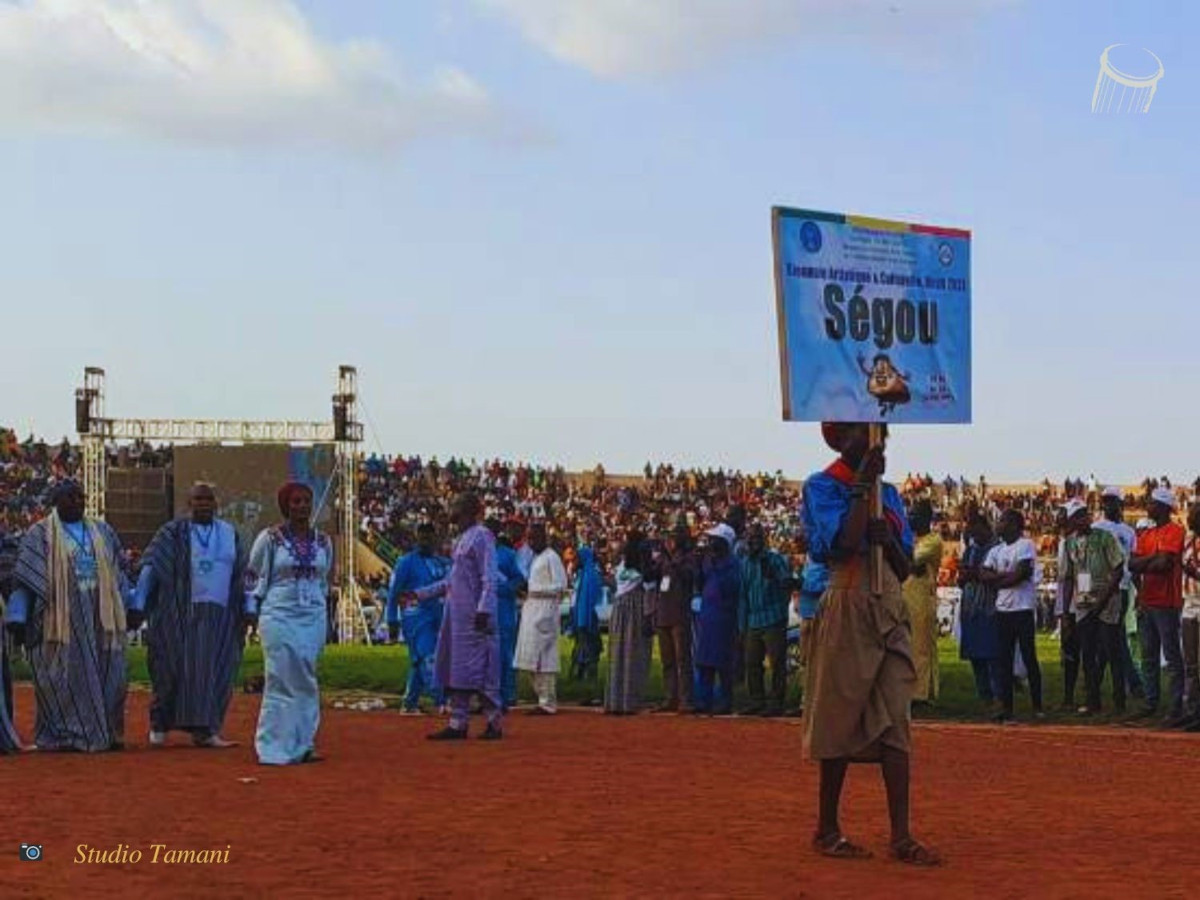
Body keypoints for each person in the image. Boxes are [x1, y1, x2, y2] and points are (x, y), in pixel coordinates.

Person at [802, 423, 938, 866]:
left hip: (889, 604)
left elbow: (903, 568)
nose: (879, 446)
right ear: (842, 441)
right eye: (867, 438)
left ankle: (901, 835)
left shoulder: (892, 495)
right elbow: (840, 545)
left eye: (882, 438)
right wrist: (862, 487)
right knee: (838, 711)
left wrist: (888, 542)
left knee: (897, 718)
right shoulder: (822, 486)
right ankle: (827, 827)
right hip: (848, 599)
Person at [4, 480, 133, 752]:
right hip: (59, 621)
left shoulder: (102, 530)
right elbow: (26, 578)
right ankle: (66, 734)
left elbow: (118, 571)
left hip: (101, 618)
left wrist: (129, 605)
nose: (77, 501)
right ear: (56, 501)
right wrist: (18, 617)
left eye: (80, 496)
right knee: (61, 679)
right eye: (70, 497)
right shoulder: (39, 534)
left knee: (114, 674)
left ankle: (106, 731)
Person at [132, 482, 251, 749]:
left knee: (216, 671)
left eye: (209, 499)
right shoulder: (172, 533)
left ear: (216, 504)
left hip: (218, 618)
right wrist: (139, 602)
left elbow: (243, 575)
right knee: (169, 668)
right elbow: (152, 566)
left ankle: (207, 731)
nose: (204, 504)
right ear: (189, 503)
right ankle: (159, 726)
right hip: (178, 613)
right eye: (198, 499)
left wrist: (248, 609)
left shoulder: (229, 534)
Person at [247, 482, 334, 765]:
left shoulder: (324, 542)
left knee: (307, 678)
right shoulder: (270, 539)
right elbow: (253, 576)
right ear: (286, 506)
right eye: (295, 501)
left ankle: (304, 742)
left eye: (306, 501)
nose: (302, 506)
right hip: (279, 614)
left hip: (313, 616)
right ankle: (272, 745)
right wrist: (250, 610)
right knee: (280, 678)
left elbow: (324, 580)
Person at [417, 492, 504, 741]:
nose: (452, 512)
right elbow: (452, 581)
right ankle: (458, 722)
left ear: (469, 510)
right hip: (457, 617)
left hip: (476, 616)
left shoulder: (482, 536)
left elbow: (489, 576)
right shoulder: (462, 539)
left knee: (483, 668)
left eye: (456, 507)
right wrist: (421, 594)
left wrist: (484, 609)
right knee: (457, 670)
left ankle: (493, 723)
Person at [1059, 500, 1126, 716]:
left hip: (1107, 601)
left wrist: (1102, 600)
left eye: (1085, 514)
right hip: (1083, 604)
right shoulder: (1069, 543)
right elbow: (1068, 578)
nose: (1084, 518)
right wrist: (1066, 612)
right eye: (1078, 516)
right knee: (1087, 653)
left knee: (1111, 650)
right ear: (1071, 521)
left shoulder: (1105, 537)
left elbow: (1117, 570)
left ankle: (1119, 701)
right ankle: (1092, 700)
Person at [1129, 487, 1187, 726]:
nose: (1148, 506)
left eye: (1152, 503)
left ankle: (1175, 706)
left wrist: (1147, 562)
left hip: (1167, 602)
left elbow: (1165, 565)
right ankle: (1151, 702)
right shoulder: (1146, 535)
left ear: (1163, 506)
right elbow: (1132, 565)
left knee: (1172, 657)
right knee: (1148, 656)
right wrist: (1153, 559)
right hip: (1147, 601)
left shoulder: (1176, 531)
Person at [981, 509, 1044, 724]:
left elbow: (1022, 573)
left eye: (1003, 521)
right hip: (1003, 610)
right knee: (1003, 660)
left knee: (1029, 657)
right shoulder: (995, 550)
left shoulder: (1025, 545)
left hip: (1022, 608)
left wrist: (997, 579)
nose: (998, 524)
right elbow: (983, 575)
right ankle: (1006, 707)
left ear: (1014, 525)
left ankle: (1038, 705)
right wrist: (1005, 578)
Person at [387, 523, 450, 715]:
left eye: (429, 537)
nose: (426, 541)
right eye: (422, 537)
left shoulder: (442, 562)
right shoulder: (406, 562)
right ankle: (442, 700)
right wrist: (391, 619)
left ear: (435, 539)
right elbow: (394, 591)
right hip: (415, 617)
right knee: (427, 657)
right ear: (416, 538)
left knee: (418, 660)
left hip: (438, 616)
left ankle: (410, 703)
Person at [1093, 487, 1145, 699]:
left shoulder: (1129, 532)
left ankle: (1106, 684)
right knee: (1110, 638)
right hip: (1099, 588)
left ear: (1120, 504)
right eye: (1105, 501)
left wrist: (1140, 590)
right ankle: (1131, 683)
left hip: (1121, 587)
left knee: (1113, 637)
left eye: (1112, 501)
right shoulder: (1096, 527)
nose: (1108, 505)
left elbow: (1133, 565)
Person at [739, 523, 792, 717]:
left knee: (777, 663)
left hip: (773, 617)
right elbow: (743, 595)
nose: (753, 542)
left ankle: (776, 702)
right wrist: (742, 625)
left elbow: (787, 583)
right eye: (750, 538)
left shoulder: (775, 559)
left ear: (764, 540)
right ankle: (757, 700)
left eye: (756, 538)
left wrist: (775, 576)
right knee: (752, 662)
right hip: (753, 619)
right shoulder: (744, 564)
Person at [513, 523, 567, 715]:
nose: (531, 542)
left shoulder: (552, 557)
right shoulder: (536, 558)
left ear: (544, 538)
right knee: (530, 657)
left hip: (545, 610)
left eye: (534, 538)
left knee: (544, 657)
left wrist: (535, 591)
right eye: (529, 539)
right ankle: (540, 697)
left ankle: (547, 701)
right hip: (532, 609)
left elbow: (561, 585)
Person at [692, 524, 741, 716]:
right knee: (704, 661)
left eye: (715, 540)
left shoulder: (732, 564)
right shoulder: (707, 561)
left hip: (724, 617)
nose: (710, 543)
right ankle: (704, 700)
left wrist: (714, 565)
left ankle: (725, 701)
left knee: (722, 662)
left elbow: (731, 587)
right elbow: (700, 583)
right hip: (707, 614)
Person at [956, 513, 1001, 708]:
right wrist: (964, 576)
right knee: (975, 654)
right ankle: (983, 694)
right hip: (971, 605)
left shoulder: (998, 548)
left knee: (992, 652)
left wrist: (975, 573)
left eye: (977, 531)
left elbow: (996, 575)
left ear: (986, 527)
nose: (975, 536)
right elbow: (961, 579)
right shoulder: (971, 550)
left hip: (991, 605)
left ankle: (997, 693)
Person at [605, 534, 651, 714]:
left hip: (619, 608)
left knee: (618, 653)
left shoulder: (620, 567)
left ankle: (615, 700)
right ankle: (631, 701)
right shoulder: (642, 569)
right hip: (635, 608)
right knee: (635, 653)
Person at [902, 500, 942, 705]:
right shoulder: (908, 538)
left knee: (921, 645)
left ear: (927, 519)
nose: (910, 519)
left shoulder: (933, 540)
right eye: (909, 515)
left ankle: (921, 693)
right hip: (903, 595)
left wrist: (902, 560)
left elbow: (913, 561)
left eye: (915, 515)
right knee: (904, 645)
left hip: (921, 597)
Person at [653, 524, 695, 713]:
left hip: (679, 614)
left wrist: (673, 561)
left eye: (672, 538)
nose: (669, 542)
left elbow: (689, 577)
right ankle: (670, 697)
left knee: (682, 659)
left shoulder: (688, 559)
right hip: (663, 613)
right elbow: (651, 576)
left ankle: (686, 699)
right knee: (667, 660)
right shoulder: (663, 559)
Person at [488, 518, 527, 712]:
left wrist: (506, 589)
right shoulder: (475, 553)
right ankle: (485, 695)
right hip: (482, 610)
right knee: (482, 654)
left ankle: (508, 695)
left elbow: (520, 578)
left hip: (503, 609)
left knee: (505, 653)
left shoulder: (507, 554)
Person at [567, 541, 604, 708]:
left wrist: (585, 622)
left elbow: (590, 602)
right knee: (586, 657)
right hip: (583, 620)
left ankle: (593, 692)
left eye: (578, 557)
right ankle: (588, 692)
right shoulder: (584, 575)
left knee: (590, 659)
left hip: (588, 621)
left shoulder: (590, 576)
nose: (576, 560)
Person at [1181, 506, 1200, 729]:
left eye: (1195, 516)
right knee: (1191, 664)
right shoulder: (1187, 540)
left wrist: (1194, 573)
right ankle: (1192, 710)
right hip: (1189, 605)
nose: (1190, 519)